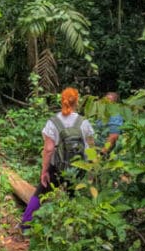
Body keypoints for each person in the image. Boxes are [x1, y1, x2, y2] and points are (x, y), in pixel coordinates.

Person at [21, 87, 95, 226]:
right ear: (77, 102)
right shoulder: (84, 122)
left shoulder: (53, 122)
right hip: (78, 168)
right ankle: (70, 229)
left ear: (62, 100)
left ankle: (26, 224)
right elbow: (91, 148)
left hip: (57, 168)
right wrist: (91, 170)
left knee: (41, 192)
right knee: (72, 195)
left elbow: (49, 149)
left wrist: (44, 171)